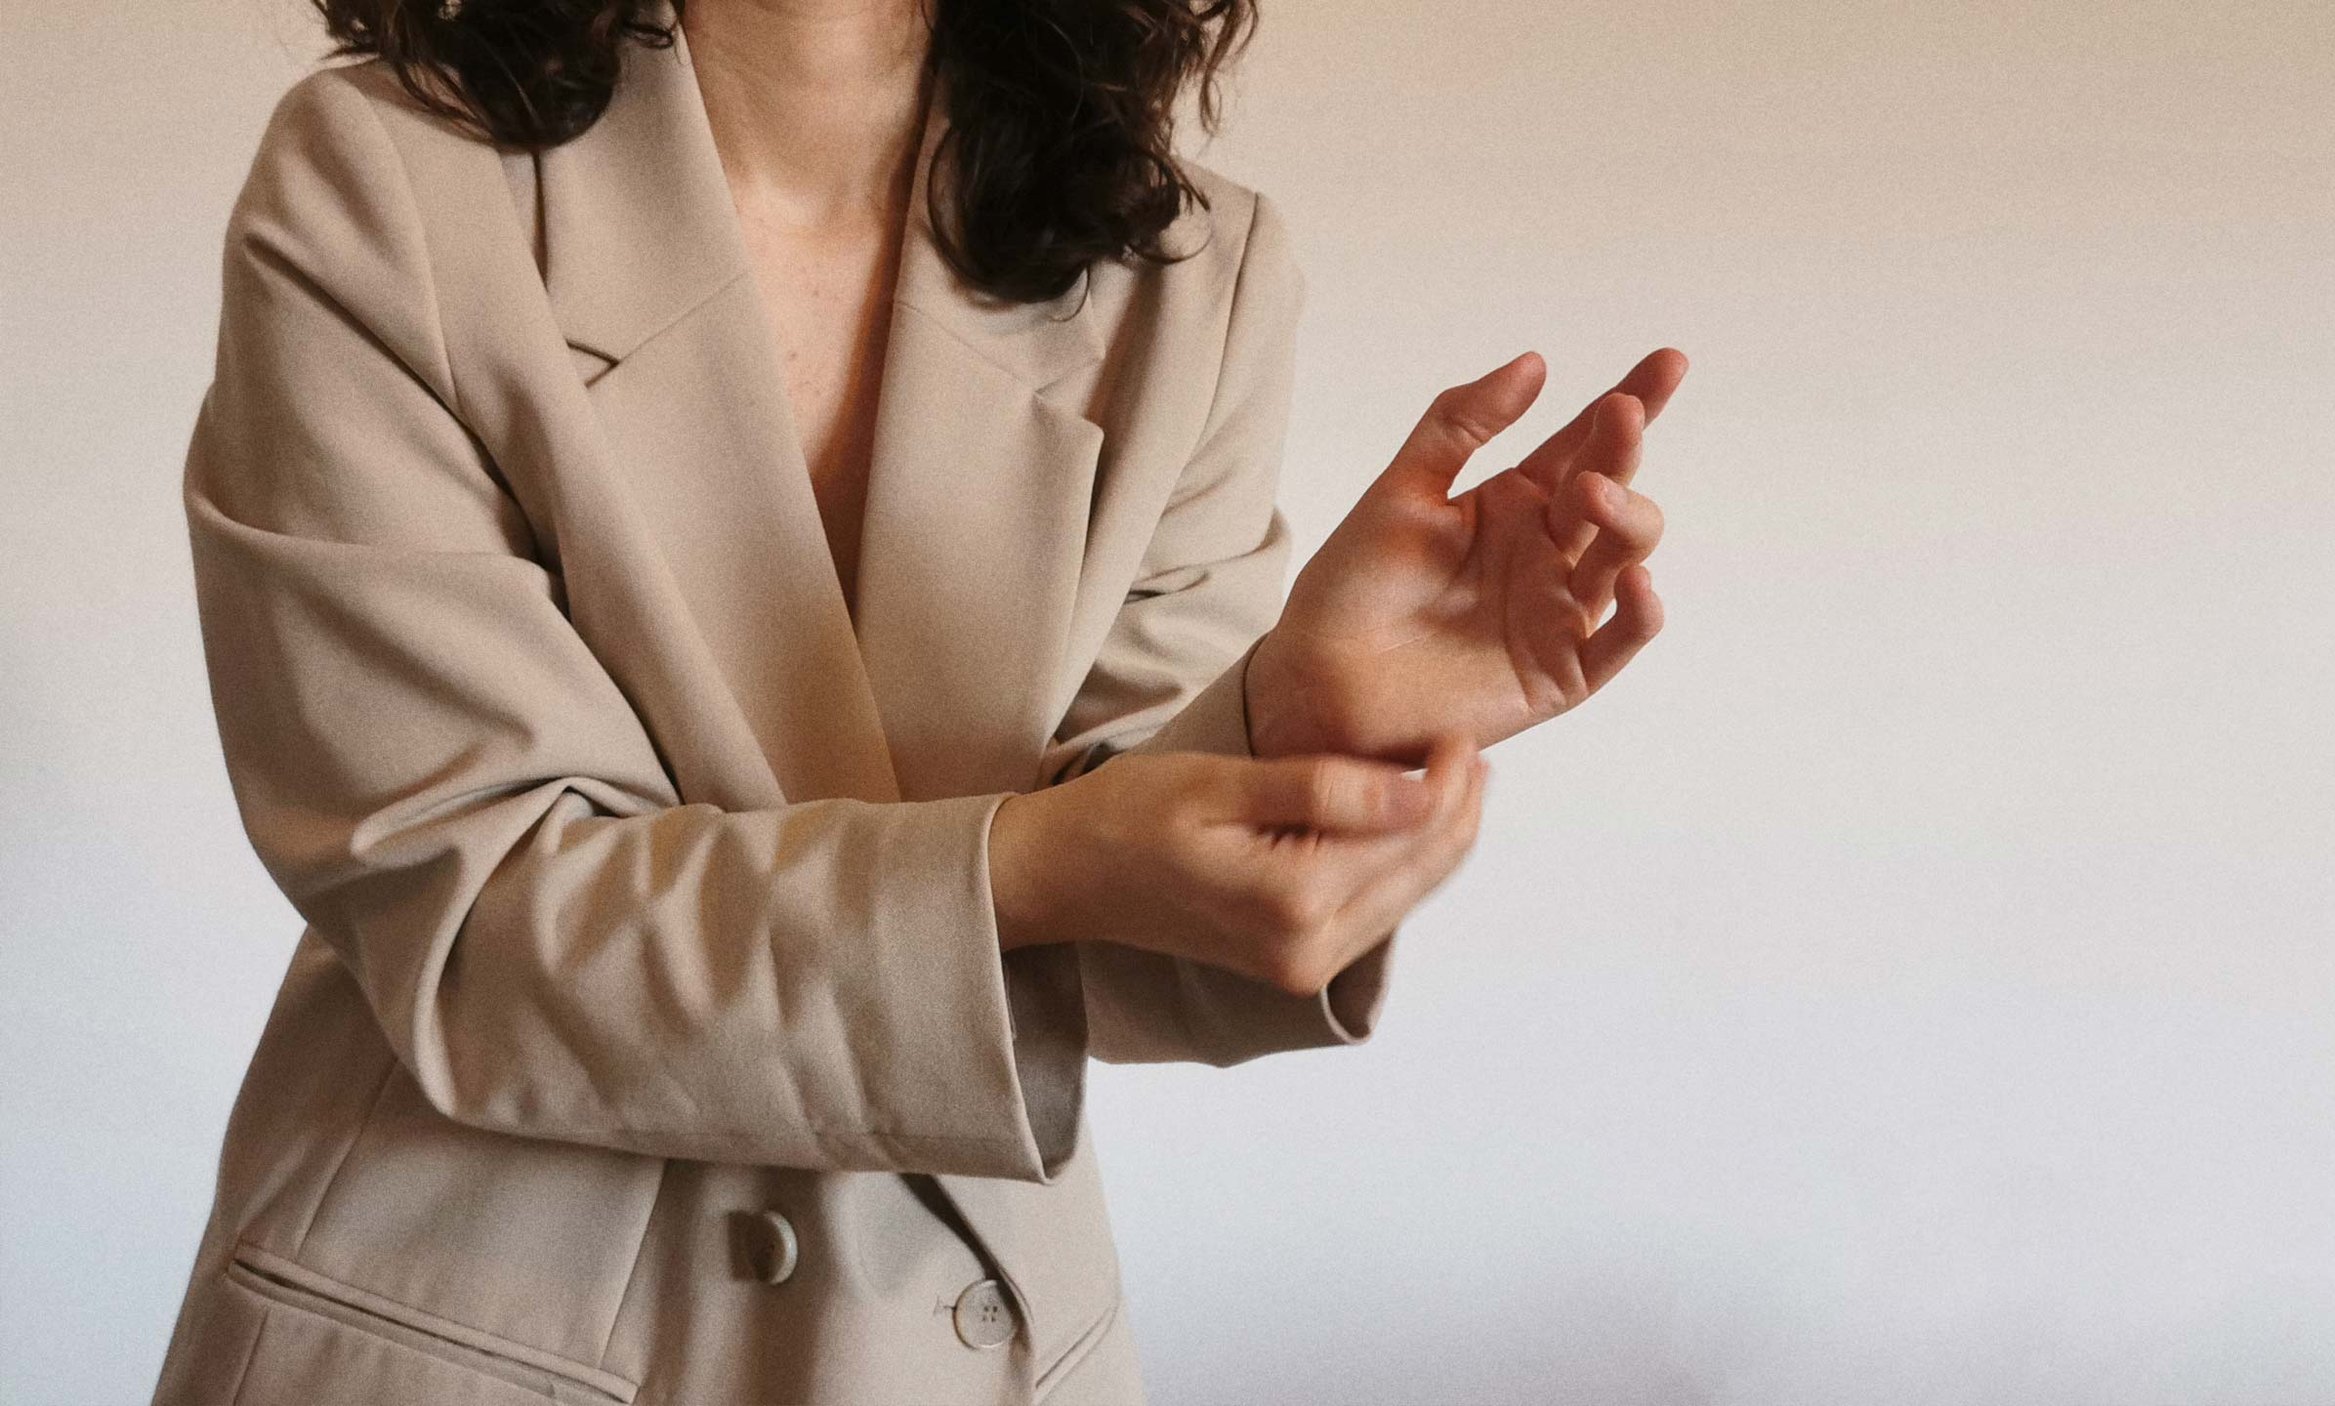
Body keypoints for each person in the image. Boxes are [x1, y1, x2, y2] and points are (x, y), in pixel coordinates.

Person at [151, 0, 1684, 1399]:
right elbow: (484, 931)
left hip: (959, 1337)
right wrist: (1022, 866)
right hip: (468, 1325)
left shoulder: (1194, 279)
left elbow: (1109, 947)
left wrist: (1297, 722)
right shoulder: (384, 190)